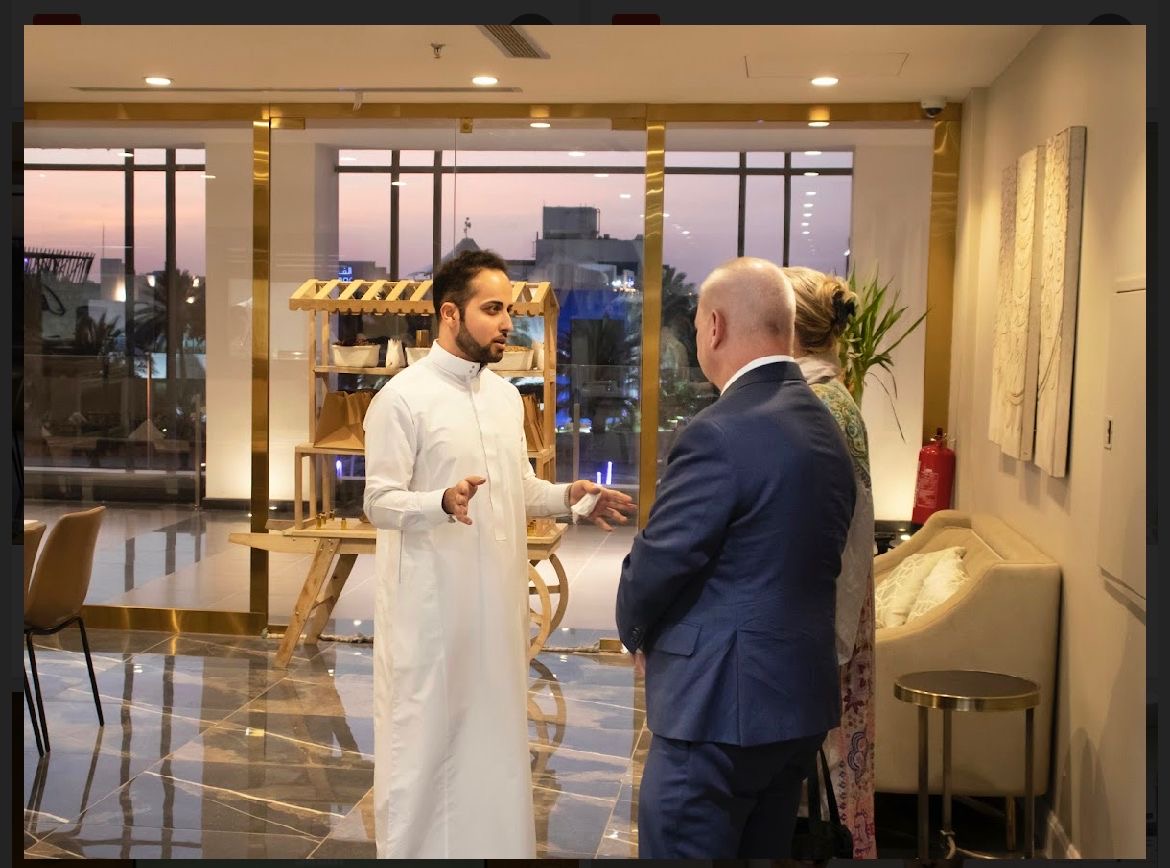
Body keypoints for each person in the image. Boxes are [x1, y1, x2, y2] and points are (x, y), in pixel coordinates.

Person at [363, 248, 636, 858]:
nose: (508, 322)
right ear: (449, 314)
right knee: (424, 749)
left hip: (497, 613)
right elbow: (377, 502)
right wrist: (439, 502)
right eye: (493, 309)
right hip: (431, 616)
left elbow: (516, 488)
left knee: (495, 749)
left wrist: (572, 498)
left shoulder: (508, 398)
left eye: (508, 309)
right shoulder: (402, 399)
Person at [615, 256, 856, 858]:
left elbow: (658, 561)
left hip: (717, 712)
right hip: (796, 706)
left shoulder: (718, 432)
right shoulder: (827, 422)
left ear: (715, 326)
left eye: (696, 323)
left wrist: (635, 632)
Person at [785, 265, 877, 858]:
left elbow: (845, 535)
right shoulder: (830, 397)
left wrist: (829, 647)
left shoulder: (817, 408)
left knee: (820, 784)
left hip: (825, 629)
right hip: (835, 621)